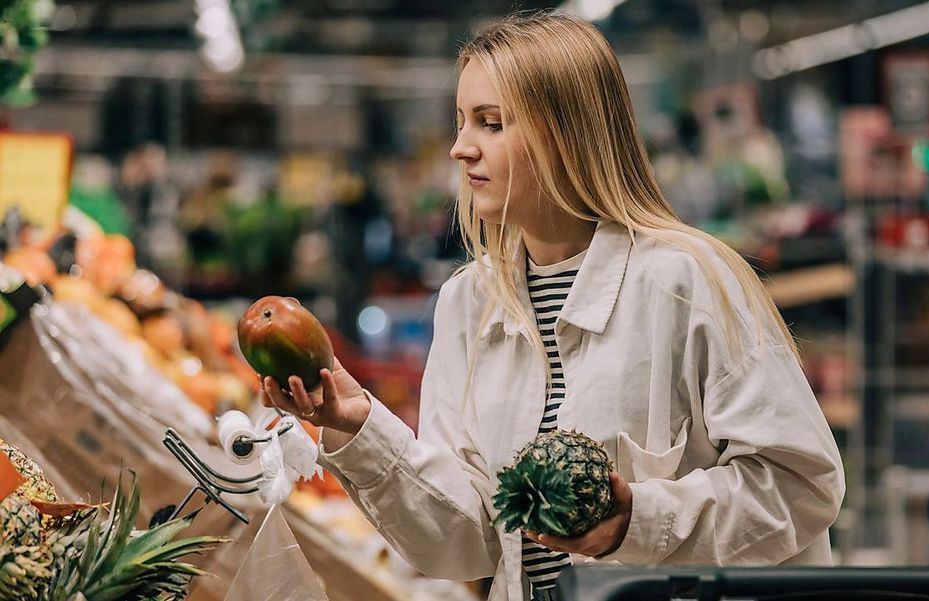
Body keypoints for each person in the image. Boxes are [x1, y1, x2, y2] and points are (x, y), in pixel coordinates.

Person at [259, 12, 845, 601]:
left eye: (490, 123)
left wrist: (636, 518)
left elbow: (799, 486)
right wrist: (359, 427)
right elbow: (463, 542)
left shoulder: (686, 282)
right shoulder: (469, 304)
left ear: (566, 135)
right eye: (461, 122)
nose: (461, 149)